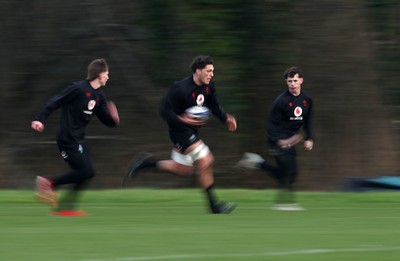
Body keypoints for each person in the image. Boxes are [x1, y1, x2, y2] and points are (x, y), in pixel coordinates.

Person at [122, 55, 237, 214]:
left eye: (213, 71)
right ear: (198, 71)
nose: (212, 74)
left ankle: (146, 163)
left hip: (191, 131)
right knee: (206, 159)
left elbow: (214, 105)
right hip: (179, 132)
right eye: (208, 71)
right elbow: (164, 110)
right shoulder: (180, 88)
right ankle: (214, 205)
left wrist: (225, 117)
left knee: (182, 169)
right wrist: (181, 119)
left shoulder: (209, 86)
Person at [31, 58, 120, 216]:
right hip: (67, 139)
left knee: (88, 173)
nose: (108, 77)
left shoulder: (99, 96)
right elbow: (55, 101)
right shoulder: (78, 89)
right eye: (107, 74)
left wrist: (114, 120)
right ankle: (49, 183)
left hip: (79, 140)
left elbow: (106, 120)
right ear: (99, 74)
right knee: (84, 171)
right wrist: (40, 119)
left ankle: (65, 207)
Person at [237, 66, 314, 211]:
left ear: (301, 81)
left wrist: (309, 138)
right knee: (286, 173)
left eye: (295, 80)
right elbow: (272, 126)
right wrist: (281, 141)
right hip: (276, 141)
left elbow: (308, 120)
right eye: (289, 81)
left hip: (290, 141)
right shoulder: (281, 101)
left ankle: (257, 161)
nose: (292, 84)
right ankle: (285, 204)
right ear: (286, 82)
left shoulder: (307, 100)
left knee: (292, 175)